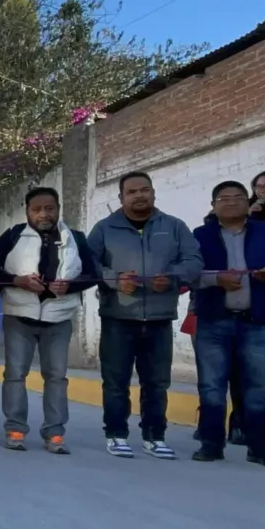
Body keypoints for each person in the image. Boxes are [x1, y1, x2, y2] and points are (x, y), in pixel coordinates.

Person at [87, 171, 202, 459]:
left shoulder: (174, 227)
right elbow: (88, 264)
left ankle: (155, 436)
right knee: (115, 382)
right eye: (132, 192)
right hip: (117, 317)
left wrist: (172, 277)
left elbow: (194, 261)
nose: (139, 196)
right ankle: (116, 434)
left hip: (160, 318)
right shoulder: (104, 229)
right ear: (121, 197)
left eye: (144, 190)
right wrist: (115, 280)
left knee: (157, 383)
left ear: (153, 193)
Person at [0, 187, 98, 454]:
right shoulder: (13, 236)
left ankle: (55, 434)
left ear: (58, 208)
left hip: (58, 319)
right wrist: (17, 281)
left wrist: (70, 287)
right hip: (19, 317)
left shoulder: (76, 239)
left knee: (57, 377)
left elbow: (93, 274)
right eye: (37, 209)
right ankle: (15, 429)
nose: (43, 214)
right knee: (15, 375)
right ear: (27, 211)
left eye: (49, 208)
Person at [190, 181, 265, 466]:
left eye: (238, 197)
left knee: (257, 386)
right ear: (214, 205)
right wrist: (216, 279)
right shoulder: (200, 235)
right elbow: (188, 273)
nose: (232, 202)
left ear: (248, 203)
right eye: (224, 198)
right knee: (211, 385)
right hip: (214, 320)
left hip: (257, 321)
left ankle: (259, 445)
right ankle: (211, 443)